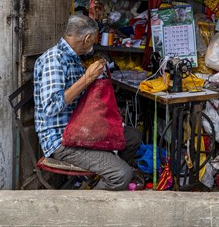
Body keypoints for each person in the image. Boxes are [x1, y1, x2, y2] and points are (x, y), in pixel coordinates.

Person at [34, 14, 141, 190]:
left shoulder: (73, 57)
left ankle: (106, 176)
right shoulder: (54, 60)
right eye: (93, 40)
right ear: (87, 38)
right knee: (121, 174)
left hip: (80, 129)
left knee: (133, 137)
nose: (93, 44)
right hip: (61, 140)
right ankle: (92, 202)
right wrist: (88, 77)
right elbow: (51, 107)